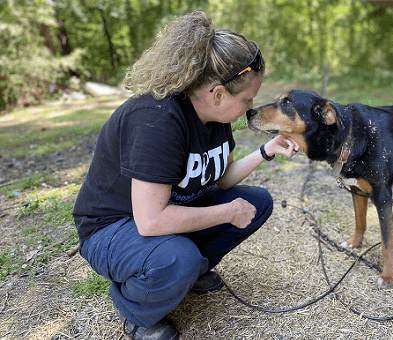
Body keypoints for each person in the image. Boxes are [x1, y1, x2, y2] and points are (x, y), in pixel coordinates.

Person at [72, 10, 300, 340]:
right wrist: (227, 212)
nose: (251, 107)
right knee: (180, 259)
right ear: (219, 94)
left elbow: (220, 178)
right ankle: (137, 310)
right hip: (112, 228)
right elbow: (150, 221)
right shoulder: (157, 119)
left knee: (256, 202)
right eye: (247, 99)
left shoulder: (218, 118)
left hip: (160, 215)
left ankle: (188, 271)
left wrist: (268, 151)